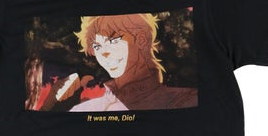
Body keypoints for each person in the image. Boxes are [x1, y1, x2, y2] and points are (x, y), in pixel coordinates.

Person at [69, 13, 198, 111]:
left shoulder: (187, 100)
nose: (104, 53)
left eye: (113, 41)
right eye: (97, 47)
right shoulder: (83, 109)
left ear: (141, 39)